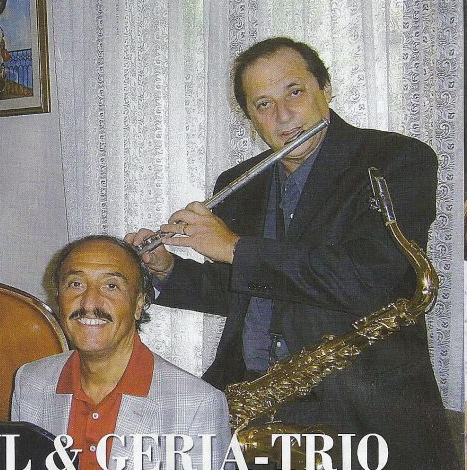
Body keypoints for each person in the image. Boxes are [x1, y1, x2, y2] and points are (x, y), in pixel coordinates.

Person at [126, 37, 456, 469]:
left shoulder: (395, 160)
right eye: (263, 104)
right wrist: (167, 270)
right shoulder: (239, 183)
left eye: (294, 92)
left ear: (325, 88)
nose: (282, 116)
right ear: (250, 118)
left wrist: (235, 247)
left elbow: (375, 278)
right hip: (253, 404)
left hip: (362, 411)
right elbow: (244, 292)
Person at [11, 235, 231, 470]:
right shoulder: (31, 382)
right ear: (58, 298)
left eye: (111, 286)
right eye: (76, 284)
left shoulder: (197, 404)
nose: (89, 303)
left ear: (138, 304)